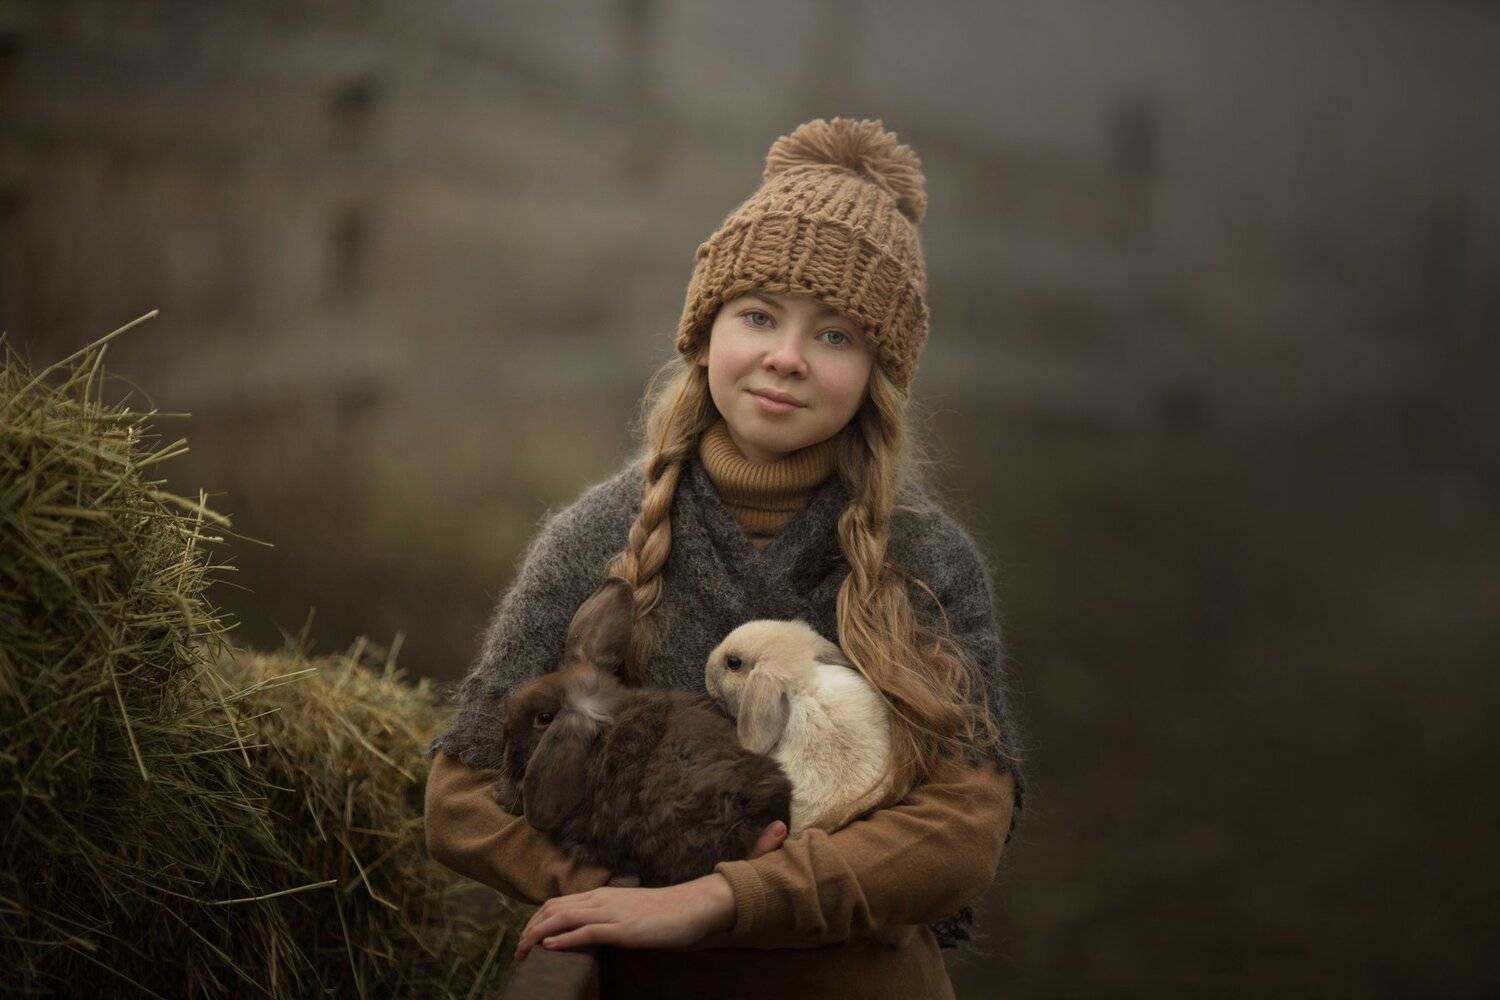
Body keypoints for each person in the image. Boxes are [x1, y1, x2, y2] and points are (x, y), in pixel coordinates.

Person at [424, 117, 1024, 1000]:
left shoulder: (927, 560)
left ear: (878, 373)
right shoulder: (597, 540)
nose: (785, 358)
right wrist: (613, 899)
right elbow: (460, 794)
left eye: (835, 336)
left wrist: (726, 899)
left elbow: (966, 824)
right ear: (704, 333)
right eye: (757, 315)